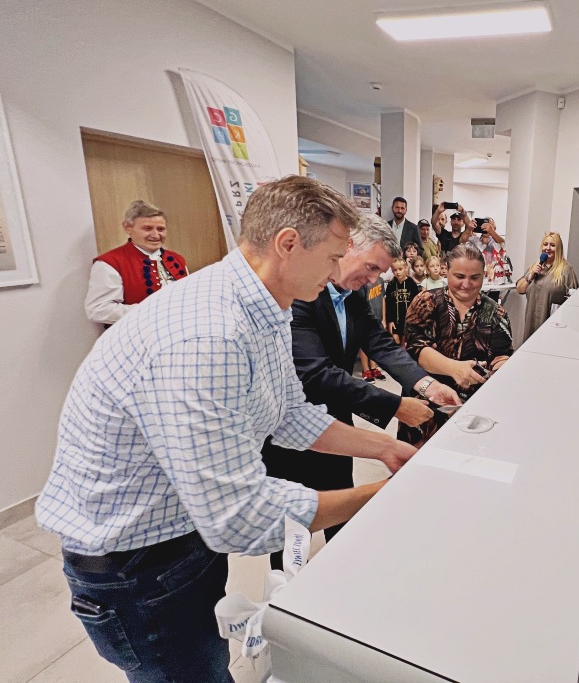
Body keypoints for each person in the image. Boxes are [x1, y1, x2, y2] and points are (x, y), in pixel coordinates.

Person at [36, 176, 417, 682]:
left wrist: (386, 448)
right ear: (287, 244)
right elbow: (239, 517)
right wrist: (383, 497)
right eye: (332, 257)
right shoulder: (208, 335)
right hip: (136, 564)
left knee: (211, 663)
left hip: (182, 531)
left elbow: (289, 412)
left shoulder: (266, 307)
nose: (337, 273)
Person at [261, 215, 460, 569]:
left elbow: (380, 343)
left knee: (343, 519)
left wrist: (427, 385)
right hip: (290, 436)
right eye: (370, 268)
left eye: (379, 273)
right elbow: (317, 374)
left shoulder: (352, 294)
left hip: (339, 430)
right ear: (347, 246)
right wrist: (395, 406)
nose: (371, 280)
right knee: (293, 534)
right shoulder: (301, 295)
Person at [399, 243, 513, 444]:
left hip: (473, 413)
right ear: (447, 272)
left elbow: (502, 355)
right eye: (459, 276)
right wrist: (455, 369)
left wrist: (501, 369)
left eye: (474, 277)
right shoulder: (426, 302)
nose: (466, 284)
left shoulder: (496, 313)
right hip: (425, 404)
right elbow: (416, 350)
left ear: (484, 275)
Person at [85, 200, 188, 325]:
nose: (156, 235)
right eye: (147, 228)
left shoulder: (177, 259)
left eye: (161, 229)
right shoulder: (110, 263)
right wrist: (151, 310)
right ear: (128, 228)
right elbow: (98, 309)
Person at [516, 231, 579, 342]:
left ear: (559, 249)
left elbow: (575, 299)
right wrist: (530, 275)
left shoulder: (566, 270)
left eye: (552, 245)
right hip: (531, 324)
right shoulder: (535, 267)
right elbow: (519, 289)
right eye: (545, 244)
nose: (548, 248)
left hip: (553, 326)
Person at [385, 257, 420, 344]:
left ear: (406, 268)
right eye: (395, 270)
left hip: (408, 320)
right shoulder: (391, 285)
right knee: (395, 341)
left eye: (400, 269)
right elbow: (388, 304)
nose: (398, 272)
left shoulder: (412, 284)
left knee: (405, 343)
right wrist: (390, 321)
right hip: (395, 321)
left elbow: (415, 303)